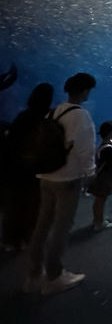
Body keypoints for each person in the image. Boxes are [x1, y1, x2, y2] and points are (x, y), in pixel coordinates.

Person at [25, 72, 97, 295]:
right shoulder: (81, 115)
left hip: (46, 176)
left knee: (42, 225)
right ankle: (54, 276)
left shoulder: (54, 111)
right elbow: (84, 148)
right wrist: (90, 173)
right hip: (67, 179)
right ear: (85, 90)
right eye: (88, 89)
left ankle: (33, 274)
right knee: (62, 227)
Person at [3, 83, 54, 251]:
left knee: (15, 205)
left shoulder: (22, 117)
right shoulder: (47, 120)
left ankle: (10, 239)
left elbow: (10, 144)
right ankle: (27, 237)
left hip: (16, 169)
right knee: (34, 205)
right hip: (36, 171)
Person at [88, 121, 112, 231]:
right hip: (104, 178)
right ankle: (99, 223)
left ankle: (97, 219)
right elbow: (105, 164)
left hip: (101, 176)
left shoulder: (104, 145)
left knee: (99, 199)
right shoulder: (108, 149)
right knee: (101, 199)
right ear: (111, 132)